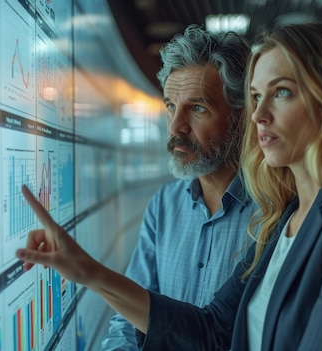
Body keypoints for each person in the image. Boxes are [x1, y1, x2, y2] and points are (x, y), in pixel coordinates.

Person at [16, 23, 322, 350]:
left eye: (281, 92)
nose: (262, 114)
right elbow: (212, 329)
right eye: (258, 95)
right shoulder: (290, 219)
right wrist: (88, 272)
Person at [100, 25, 259, 350]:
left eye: (197, 108)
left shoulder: (274, 211)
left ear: (241, 118)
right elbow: (128, 319)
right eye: (171, 106)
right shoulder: (164, 205)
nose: (175, 126)